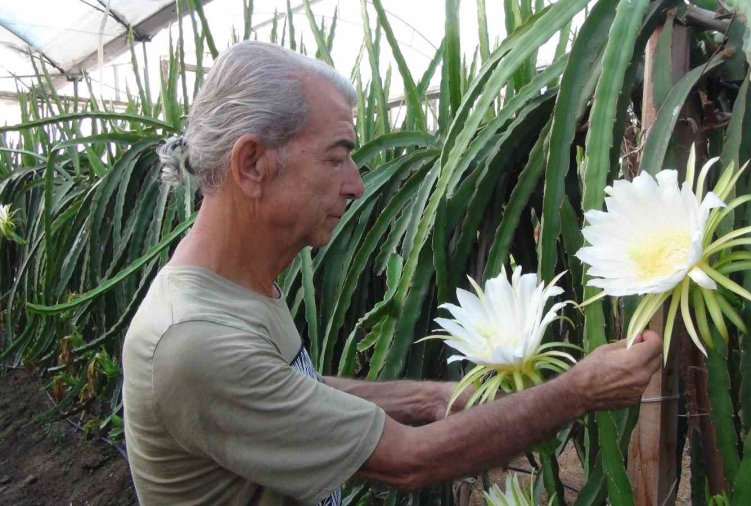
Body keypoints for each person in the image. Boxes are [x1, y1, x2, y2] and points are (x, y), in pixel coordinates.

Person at [122, 40, 662, 506]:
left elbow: (288, 389)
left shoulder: (233, 290)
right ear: (252, 165)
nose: (356, 185)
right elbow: (409, 462)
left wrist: (427, 399)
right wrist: (580, 390)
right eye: (336, 157)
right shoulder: (193, 341)